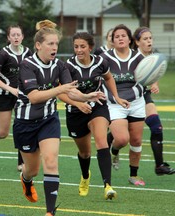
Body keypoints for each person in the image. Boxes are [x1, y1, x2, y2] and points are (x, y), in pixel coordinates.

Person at [13, 20, 106, 216]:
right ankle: (26, 180)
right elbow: (34, 97)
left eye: (56, 44)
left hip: (49, 119)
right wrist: (60, 89)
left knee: (51, 160)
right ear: (38, 45)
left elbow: (70, 91)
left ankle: (50, 212)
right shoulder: (27, 65)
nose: (54, 47)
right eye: (50, 44)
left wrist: (86, 96)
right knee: (32, 170)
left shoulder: (60, 65)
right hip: (25, 123)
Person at [58, 32, 129, 200]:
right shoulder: (68, 66)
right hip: (76, 112)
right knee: (85, 152)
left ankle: (108, 186)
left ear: (90, 47)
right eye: (76, 46)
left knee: (101, 141)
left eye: (83, 46)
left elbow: (109, 77)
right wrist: (77, 103)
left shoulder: (100, 62)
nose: (79, 50)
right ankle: (85, 176)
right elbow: (61, 92)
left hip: (98, 106)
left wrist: (116, 97)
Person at [101, 24, 146, 186]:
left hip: (136, 103)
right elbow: (102, 82)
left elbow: (144, 80)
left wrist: (151, 82)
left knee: (136, 140)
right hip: (114, 104)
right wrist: (117, 97)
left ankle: (134, 175)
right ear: (112, 41)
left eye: (123, 36)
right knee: (121, 139)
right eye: (116, 36)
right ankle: (114, 150)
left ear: (129, 39)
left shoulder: (139, 58)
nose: (120, 38)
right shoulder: (105, 58)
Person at [0, 25, 32, 172]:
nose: (16, 37)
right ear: (8, 38)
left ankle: (21, 162)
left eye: (18, 34)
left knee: (22, 126)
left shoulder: (28, 52)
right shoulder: (3, 54)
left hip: (21, 97)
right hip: (3, 96)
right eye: (13, 35)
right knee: (3, 133)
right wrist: (10, 89)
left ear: (22, 37)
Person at [132, 26, 175, 175]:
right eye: (145, 39)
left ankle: (159, 165)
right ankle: (114, 146)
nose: (149, 41)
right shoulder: (132, 57)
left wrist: (154, 83)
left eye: (150, 38)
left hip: (144, 95)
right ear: (137, 42)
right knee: (124, 135)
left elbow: (154, 75)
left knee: (156, 127)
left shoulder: (154, 57)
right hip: (129, 97)